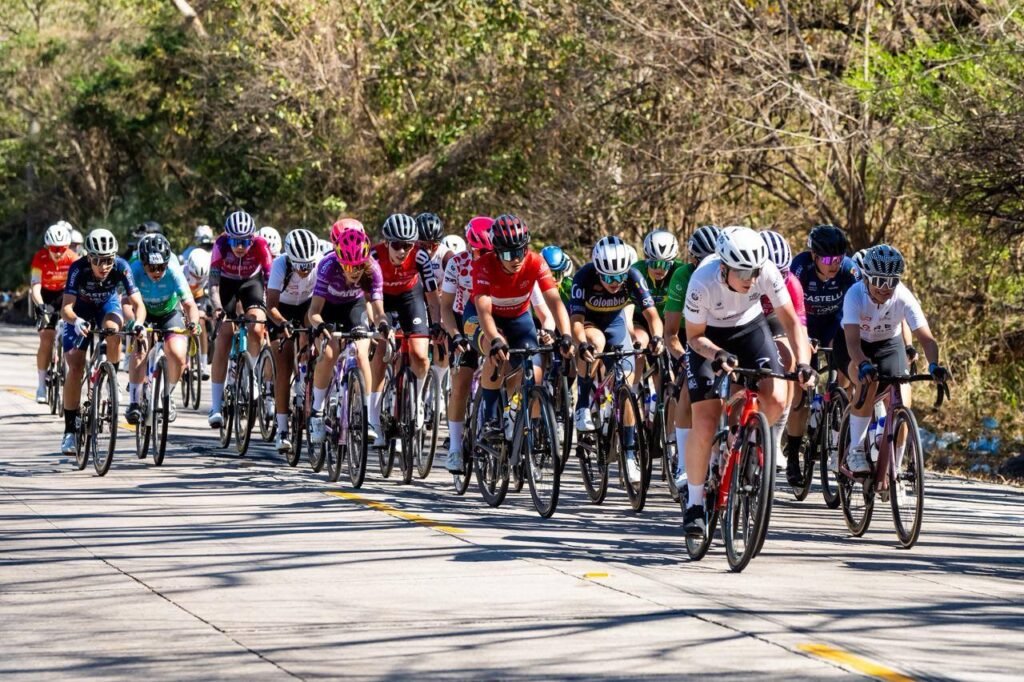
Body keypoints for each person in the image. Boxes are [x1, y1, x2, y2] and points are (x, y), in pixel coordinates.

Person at [681, 226, 815, 538]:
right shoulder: (702, 281)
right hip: (708, 338)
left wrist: (804, 361)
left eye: (754, 272)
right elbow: (693, 337)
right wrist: (717, 355)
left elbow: (791, 321)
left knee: (778, 395)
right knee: (704, 420)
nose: (750, 279)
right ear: (724, 267)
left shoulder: (765, 271)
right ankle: (696, 502)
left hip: (749, 328)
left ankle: (749, 440)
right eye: (742, 272)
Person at [837, 244, 949, 474]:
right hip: (856, 344)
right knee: (867, 383)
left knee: (902, 402)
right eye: (879, 280)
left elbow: (927, 339)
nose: (885, 288)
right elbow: (853, 344)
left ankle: (895, 468)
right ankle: (855, 451)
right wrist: (863, 363)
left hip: (889, 344)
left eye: (892, 281)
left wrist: (934, 365)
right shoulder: (855, 295)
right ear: (866, 277)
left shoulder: (903, 296)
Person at [468, 214, 574, 441]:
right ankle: (489, 417)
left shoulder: (535, 261)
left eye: (520, 251)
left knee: (534, 373)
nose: (516, 259)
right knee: (495, 350)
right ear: (496, 252)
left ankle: (528, 436)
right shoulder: (483, 266)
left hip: (518, 316)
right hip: (487, 318)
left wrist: (565, 334)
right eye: (508, 254)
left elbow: (554, 301)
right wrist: (495, 338)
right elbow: (484, 312)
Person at [571, 236, 663, 484]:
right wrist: (581, 344)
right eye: (608, 278)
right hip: (589, 324)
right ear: (598, 271)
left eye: (619, 277)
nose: (615, 283)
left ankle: (630, 452)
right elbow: (576, 321)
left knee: (628, 389)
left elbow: (652, 315)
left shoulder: (633, 276)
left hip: (616, 324)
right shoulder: (584, 277)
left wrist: (657, 338)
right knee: (596, 343)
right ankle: (582, 404)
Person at [59, 229, 145, 454]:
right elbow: (66, 308)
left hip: (107, 306)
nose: (104, 266)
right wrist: (76, 320)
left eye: (108, 260)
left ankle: (112, 375)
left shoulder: (122, 266)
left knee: (113, 331)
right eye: (98, 260)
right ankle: (69, 431)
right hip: (80, 310)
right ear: (89, 257)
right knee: (76, 366)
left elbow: (138, 303)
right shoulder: (78, 268)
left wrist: (138, 323)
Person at [783, 224, 859, 469]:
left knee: (845, 371)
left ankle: (837, 409)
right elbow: (792, 308)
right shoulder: (800, 267)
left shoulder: (849, 269)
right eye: (827, 258)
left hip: (834, 323)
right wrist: (803, 340)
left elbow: (857, 303)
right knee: (800, 392)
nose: (833, 264)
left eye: (838, 258)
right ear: (814, 256)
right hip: (807, 323)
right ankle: (793, 452)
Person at [307, 228, 385, 445]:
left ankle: (368, 417)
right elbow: (313, 311)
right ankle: (317, 411)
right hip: (327, 308)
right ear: (340, 261)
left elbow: (378, 312)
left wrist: (383, 325)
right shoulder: (327, 266)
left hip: (354, 306)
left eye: (358, 266)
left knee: (362, 354)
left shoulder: (373, 268)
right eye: (349, 266)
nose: (354, 271)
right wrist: (320, 325)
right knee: (330, 352)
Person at [368, 213, 441, 443]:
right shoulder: (374, 256)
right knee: (381, 351)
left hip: (410, 298)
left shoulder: (419, 256)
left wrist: (437, 323)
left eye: (407, 245)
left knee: (420, 354)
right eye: (397, 245)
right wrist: (378, 324)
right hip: (382, 300)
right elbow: (370, 298)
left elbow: (431, 295)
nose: (402, 251)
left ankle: (417, 400)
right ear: (387, 242)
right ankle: (374, 417)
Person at [662, 224, 721, 489]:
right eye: (703, 262)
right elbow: (671, 333)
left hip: (720, 336)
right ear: (693, 260)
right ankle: (684, 465)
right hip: (688, 337)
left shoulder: (729, 275)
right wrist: (683, 358)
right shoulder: (683, 277)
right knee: (688, 388)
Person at [207, 210, 274, 428]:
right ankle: (216, 407)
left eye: (245, 241)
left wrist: (269, 310)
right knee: (224, 336)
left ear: (252, 238)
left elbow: (270, 282)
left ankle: (252, 373)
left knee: (256, 326)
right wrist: (218, 308)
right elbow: (214, 285)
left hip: (251, 284)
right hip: (226, 285)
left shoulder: (261, 246)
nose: (240, 246)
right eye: (235, 241)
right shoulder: (220, 245)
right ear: (228, 237)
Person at [126, 235, 201, 423]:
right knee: (140, 349)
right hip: (143, 312)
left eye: (161, 267)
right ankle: (134, 402)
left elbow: (190, 305)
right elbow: (124, 303)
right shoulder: (134, 270)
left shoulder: (174, 271)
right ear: (143, 264)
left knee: (178, 354)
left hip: (169, 312)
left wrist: (193, 323)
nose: (157, 271)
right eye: (152, 268)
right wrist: (132, 322)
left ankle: (167, 395)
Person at [440, 216, 493, 472]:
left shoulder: (499, 264)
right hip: (463, 321)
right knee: (461, 381)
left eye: (489, 251)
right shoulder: (457, 264)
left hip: (493, 320)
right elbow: (446, 308)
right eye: (479, 250)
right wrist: (454, 334)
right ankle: (455, 448)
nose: (483, 255)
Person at [759, 230, 808, 485]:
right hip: (745, 320)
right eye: (772, 272)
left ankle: (775, 439)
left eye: (783, 272)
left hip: (774, 322)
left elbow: (798, 328)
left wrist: (804, 364)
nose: (777, 279)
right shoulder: (743, 277)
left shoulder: (791, 284)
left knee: (790, 358)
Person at [266, 228, 322, 453]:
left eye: (308, 265)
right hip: (281, 310)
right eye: (300, 265)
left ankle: (309, 385)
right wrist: (282, 324)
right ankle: (282, 430)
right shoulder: (280, 265)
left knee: (313, 344)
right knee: (284, 362)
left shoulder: (318, 264)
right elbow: (270, 306)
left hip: (307, 306)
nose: (304, 269)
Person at [30, 221, 80, 402]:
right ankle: (41, 386)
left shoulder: (73, 258)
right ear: (46, 246)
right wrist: (41, 306)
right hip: (46, 296)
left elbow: (80, 285)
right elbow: (35, 286)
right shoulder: (40, 258)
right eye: (53, 248)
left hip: (66, 294)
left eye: (62, 248)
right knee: (46, 337)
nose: (58, 252)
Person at [416, 212, 454, 396]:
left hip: (439, 302)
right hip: (416, 302)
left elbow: (453, 294)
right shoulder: (410, 254)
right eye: (423, 245)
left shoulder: (446, 257)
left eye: (433, 245)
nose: (429, 250)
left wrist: (442, 323)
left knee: (445, 340)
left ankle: (438, 388)